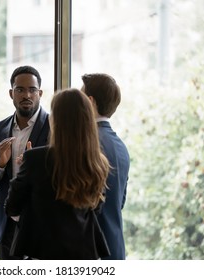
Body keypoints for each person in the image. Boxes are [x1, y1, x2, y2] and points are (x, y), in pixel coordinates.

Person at [4, 88, 111, 260]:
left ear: (57, 121)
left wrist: (25, 169)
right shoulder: (98, 162)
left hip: (44, 255)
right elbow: (96, 208)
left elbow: (11, 207)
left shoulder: (35, 159)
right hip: (86, 254)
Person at [0, 65, 50, 259]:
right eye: (20, 89)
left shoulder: (56, 128)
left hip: (43, 226)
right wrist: (0, 164)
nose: (26, 94)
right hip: (7, 226)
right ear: (11, 93)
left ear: (40, 93)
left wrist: (35, 167)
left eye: (32, 90)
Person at [81, 73, 130, 260]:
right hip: (115, 248)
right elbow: (120, 201)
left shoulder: (87, 144)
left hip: (91, 249)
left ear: (90, 102)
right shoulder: (121, 147)